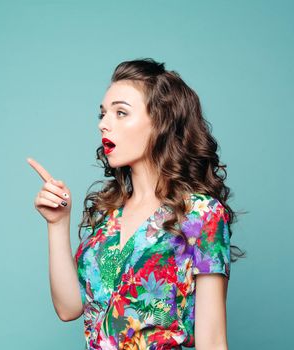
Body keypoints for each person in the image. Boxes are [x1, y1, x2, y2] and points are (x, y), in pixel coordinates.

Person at [27, 58, 245, 350]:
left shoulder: (200, 213)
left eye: (121, 113)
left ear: (161, 122)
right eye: (103, 114)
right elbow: (69, 309)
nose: (104, 124)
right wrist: (57, 224)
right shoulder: (108, 215)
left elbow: (213, 340)